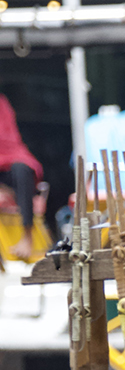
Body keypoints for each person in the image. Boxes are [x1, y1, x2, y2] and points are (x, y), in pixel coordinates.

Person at [0, 92, 43, 259]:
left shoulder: (2, 102)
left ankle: (27, 236)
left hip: (7, 163)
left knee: (22, 169)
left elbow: (8, 137)